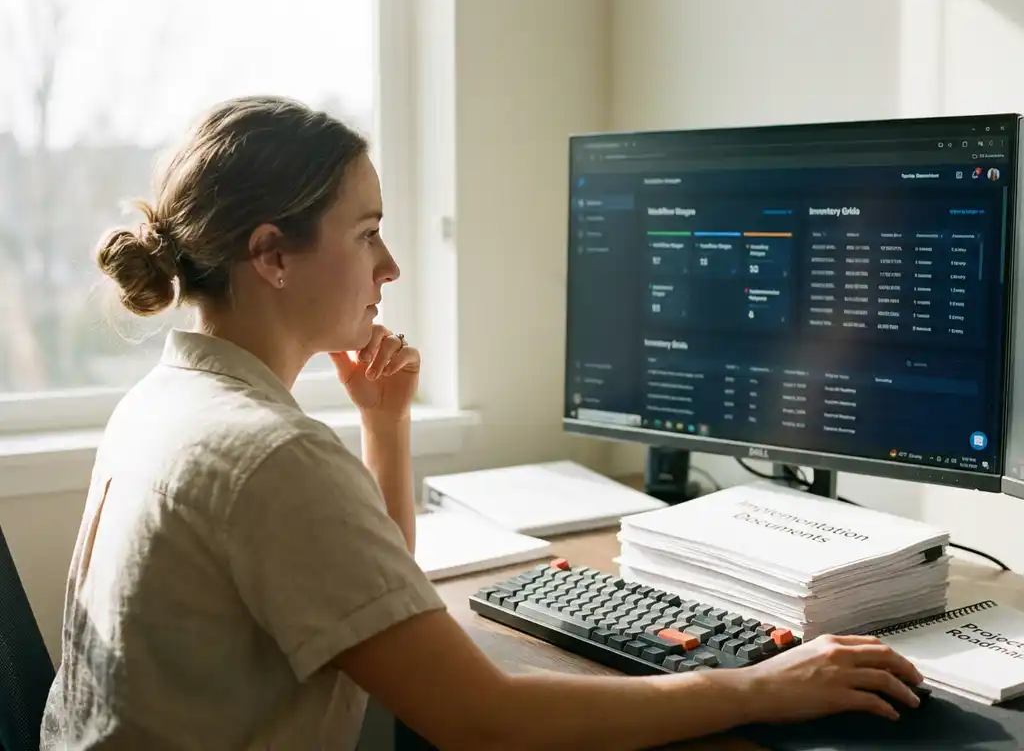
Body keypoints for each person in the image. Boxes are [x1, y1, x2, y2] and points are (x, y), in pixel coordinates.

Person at [41, 95, 925, 750]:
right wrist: (757, 687)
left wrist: (385, 425)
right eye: (367, 233)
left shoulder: (166, 402)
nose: (390, 266)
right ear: (272, 255)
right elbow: (483, 721)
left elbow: (374, 598)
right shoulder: (269, 454)